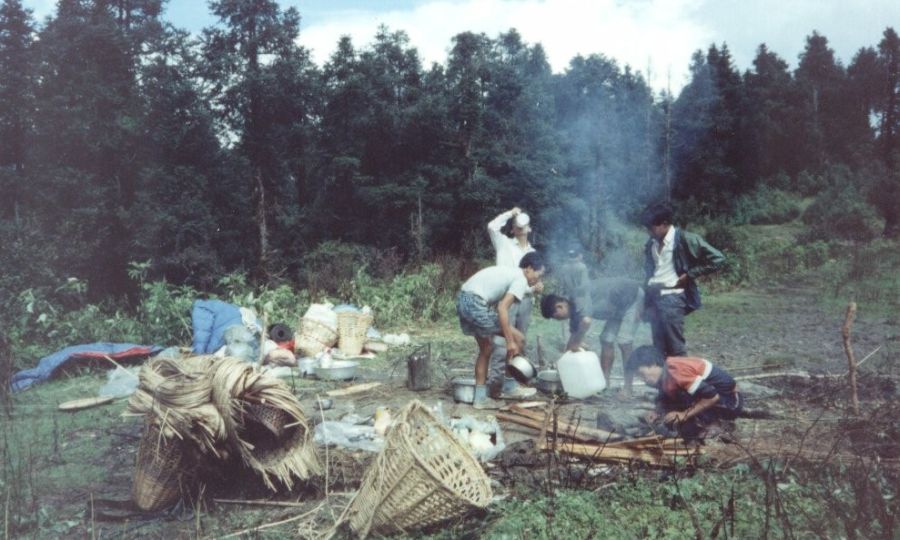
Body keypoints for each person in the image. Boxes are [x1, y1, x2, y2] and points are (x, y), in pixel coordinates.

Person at [457, 252, 545, 409]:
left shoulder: (513, 274)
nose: (538, 279)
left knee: (486, 348)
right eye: (539, 274)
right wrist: (510, 342)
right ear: (529, 269)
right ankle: (510, 386)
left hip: (464, 300)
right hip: (475, 304)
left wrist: (532, 290)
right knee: (519, 338)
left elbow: (516, 292)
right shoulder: (520, 278)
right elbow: (502, 308)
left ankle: (480, 398)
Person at [640, 202, 725, 357]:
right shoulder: (651, 244)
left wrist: (691, 274)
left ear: (665, 224)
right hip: (653, 298)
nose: (649, 232)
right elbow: (650, 273)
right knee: (658, 348)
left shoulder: (686, 239)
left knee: (675, 348)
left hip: (672, 298)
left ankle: (682, 380)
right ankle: (665, 381)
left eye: (652, 228)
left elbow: (717, 259)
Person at [540, 276, 644, 393]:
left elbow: (586, 321)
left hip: (632, 297)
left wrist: (578, 341)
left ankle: (628, 388)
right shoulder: (572, 313)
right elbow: (572, 341)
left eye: (556, 316)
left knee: (624, 342)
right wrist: (563, 363)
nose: (558, 320)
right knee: (606, 339)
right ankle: (605, 383)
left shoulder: (578, 297)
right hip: (617, 307)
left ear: (560, 306)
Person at [626, 345, 742, 439]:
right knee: (675, 405)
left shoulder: (676, 372)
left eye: (642, 374)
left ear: (654, 364)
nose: (643, 379)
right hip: (712, 397)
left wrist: (683, 414)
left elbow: (712, 397)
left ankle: (717, 425)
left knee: (685, 424)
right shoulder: (664, 374)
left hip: (728, 402)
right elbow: (665, 395)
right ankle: (700, 423)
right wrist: (658, 410)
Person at [486, 207, 541, 399]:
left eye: (523, 226)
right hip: (506, 300)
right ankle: (495, 384)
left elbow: (532, 280)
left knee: (519, 341)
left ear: (529, 229)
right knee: (503, 341)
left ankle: (511, 385)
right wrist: (511, 213)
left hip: (525, 299)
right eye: (517, 227)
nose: (520, 229)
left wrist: (537, 286)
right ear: (512, 230)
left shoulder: (532, 252)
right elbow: (492, 226)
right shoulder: (504, 244)